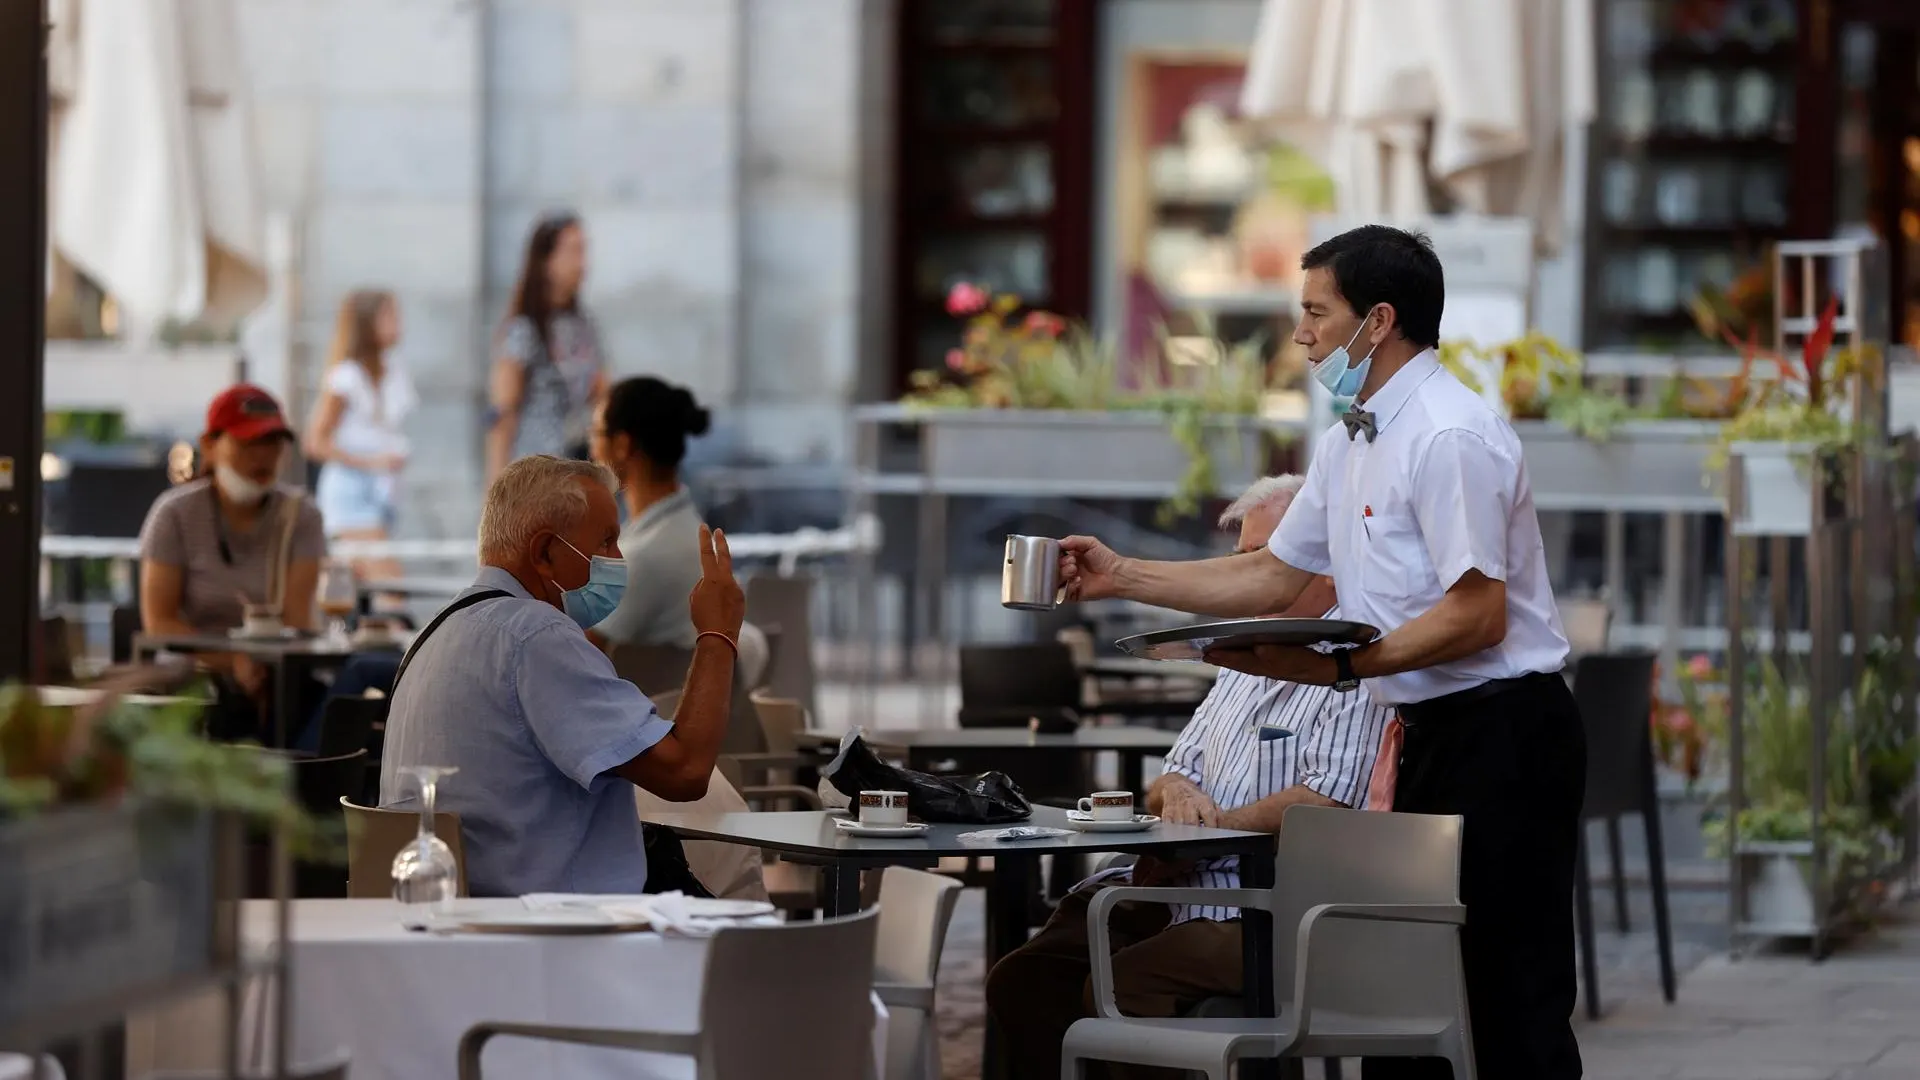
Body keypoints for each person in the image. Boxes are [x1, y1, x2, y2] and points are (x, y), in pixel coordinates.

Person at [1055, 225, 1583, 1080]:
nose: (1299, 334)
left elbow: (1479, 615)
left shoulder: (1450, 436)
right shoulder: (1348, 442)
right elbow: (1270, 577)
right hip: (1420, 733)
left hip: (1505, 736)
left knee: (1508, 995)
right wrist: (1120, 578)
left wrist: (1344, 668)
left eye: (1314, 312)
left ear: (1378, 321)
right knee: (1406, 996)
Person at [985, 475, 1392, 1080]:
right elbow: (1176, 770)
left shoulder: (1358, 663)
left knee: (1120, 986)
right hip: (1180, 885)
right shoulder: (1243, 653)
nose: (1244, 578)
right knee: (1026, 975)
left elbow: (1325, 803)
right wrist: (1176, 796)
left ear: (1327, 567)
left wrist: (1205, 831)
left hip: (1277, 908)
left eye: (1263, 560)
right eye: (1241, 560)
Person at [378, 455, 745, 897]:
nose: (618, 559)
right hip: (555, 936)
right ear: (545, 553)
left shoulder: (434, 634)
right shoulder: (537, 637)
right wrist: (717, 634)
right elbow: (685, 772)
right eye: (607, 541)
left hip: (459, 927)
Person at [138, 385, 328, 738]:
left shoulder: (301, 516)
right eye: (247, 443)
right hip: (195, 676)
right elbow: (160, 623)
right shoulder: (174, 513)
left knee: (348, 694)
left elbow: (298, 619)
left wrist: (260, 665)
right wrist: (232, 661)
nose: (263, 456)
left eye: (272, 444)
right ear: (210, 445)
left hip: (277, 676)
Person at [584, 376, 713, 649]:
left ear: (622, 445)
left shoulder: (642, 558)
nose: (591, 450)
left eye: (595, 433)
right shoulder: (690, 531)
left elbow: (570, 654)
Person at [486, 212, 607, 485]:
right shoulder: (524, 329)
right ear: (547, 260)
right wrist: (493, 492)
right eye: (574, 251)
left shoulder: (583, 325)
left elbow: (601, 392)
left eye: (584, 250)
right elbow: (502, 414)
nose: (582, 263)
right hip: (534, 476)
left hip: (577, 470)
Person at [305, 288, 415, 587]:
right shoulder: (346, 377)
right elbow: (316, 441)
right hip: (352, 493)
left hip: (383, 493)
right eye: (389, 315)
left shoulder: (392, 369)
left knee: (349, 590)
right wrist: (370, 461)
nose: (398, 322)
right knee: (388, 587)